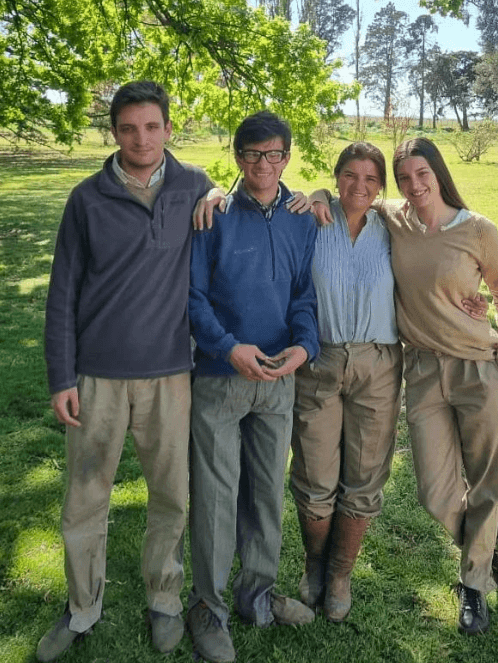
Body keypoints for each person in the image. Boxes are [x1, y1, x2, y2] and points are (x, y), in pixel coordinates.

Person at [317, 137, 498, 634]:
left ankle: (473, 587)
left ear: (438, 172)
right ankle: (490, 535)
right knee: (435, 493)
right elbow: (350, 194)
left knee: (485, 481)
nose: (414, 185)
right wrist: (321, 197)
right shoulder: (396, 220)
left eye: (422, 174)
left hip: (479, 369)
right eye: (404, 177)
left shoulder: (477, 230)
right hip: (425, 370)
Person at [39, 81, 213, 661]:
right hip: (97, 378)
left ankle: (164, 600)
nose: (142, 138)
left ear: (169, 128)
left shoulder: (196, 187)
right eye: (129, 128)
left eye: (152, 126)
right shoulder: (86, 199)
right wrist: (61, 376)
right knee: (86, 500)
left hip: (170, 375)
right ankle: (82, 606)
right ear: (114, 133)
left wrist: (314, 193)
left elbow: (259, 197)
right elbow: (61, 294)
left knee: (172, 497)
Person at [187, 110, 320, 663]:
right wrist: (226, 347)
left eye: (273, 155)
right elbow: (193, 298)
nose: (263, 166)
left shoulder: (301, 218)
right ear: (237, 159)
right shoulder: (213, 215)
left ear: (287, 157)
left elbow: (303, 298)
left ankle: (257, 594)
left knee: (266, 494)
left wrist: (304, 347)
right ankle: (209, 609)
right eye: (251, 155)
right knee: (217, 499)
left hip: (277, 381)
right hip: (222, 378)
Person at [288, 142, 403, 623]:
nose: (360, 186)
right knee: (315, 470)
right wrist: (312, 193)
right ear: (335, 178)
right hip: (320, 360)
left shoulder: (396, 227)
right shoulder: (312, 218)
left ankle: (340, 574)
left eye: (371, 179)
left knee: (364, 473)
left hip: (378, 363)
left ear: (381, 187)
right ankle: (314, 566)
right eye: (350, 176)